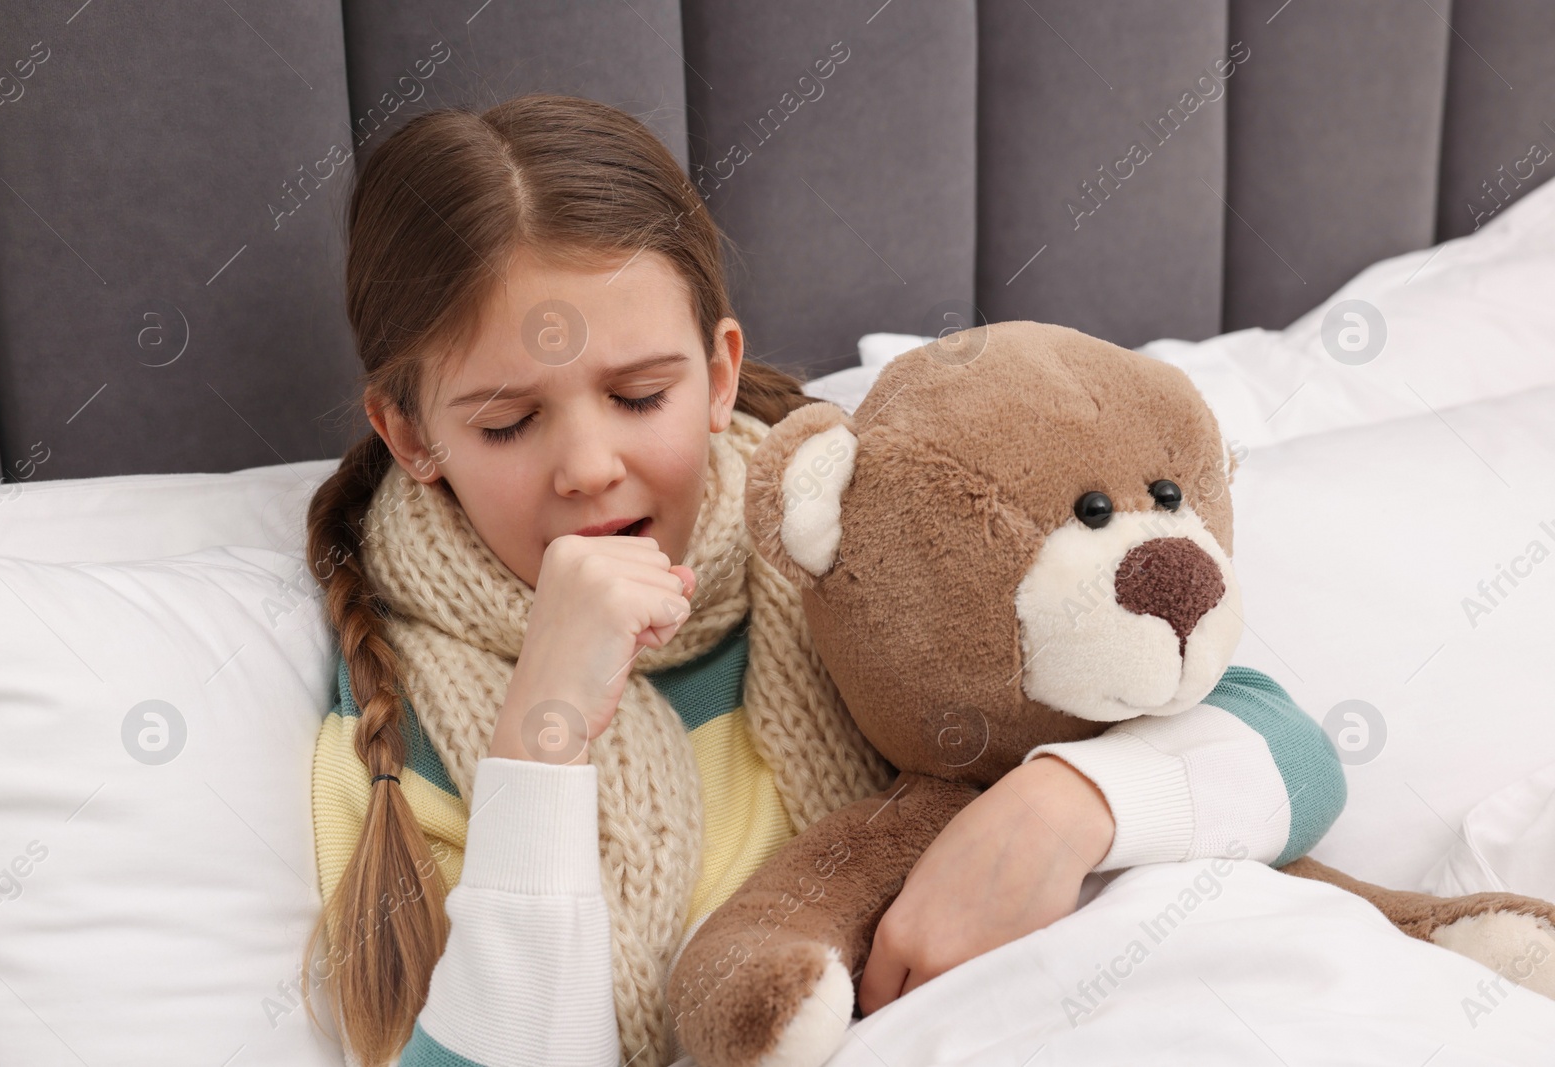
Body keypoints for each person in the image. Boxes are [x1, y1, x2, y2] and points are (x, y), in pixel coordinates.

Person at [300, 93, 1348, 1067]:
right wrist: (543, 730)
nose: (586, 465)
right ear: (409, 432)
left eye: (637, 395)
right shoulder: (401, 719)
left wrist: (1060, 805)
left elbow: (1283, 749)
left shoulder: (845, 528)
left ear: (715, 376)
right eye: (509, 422)